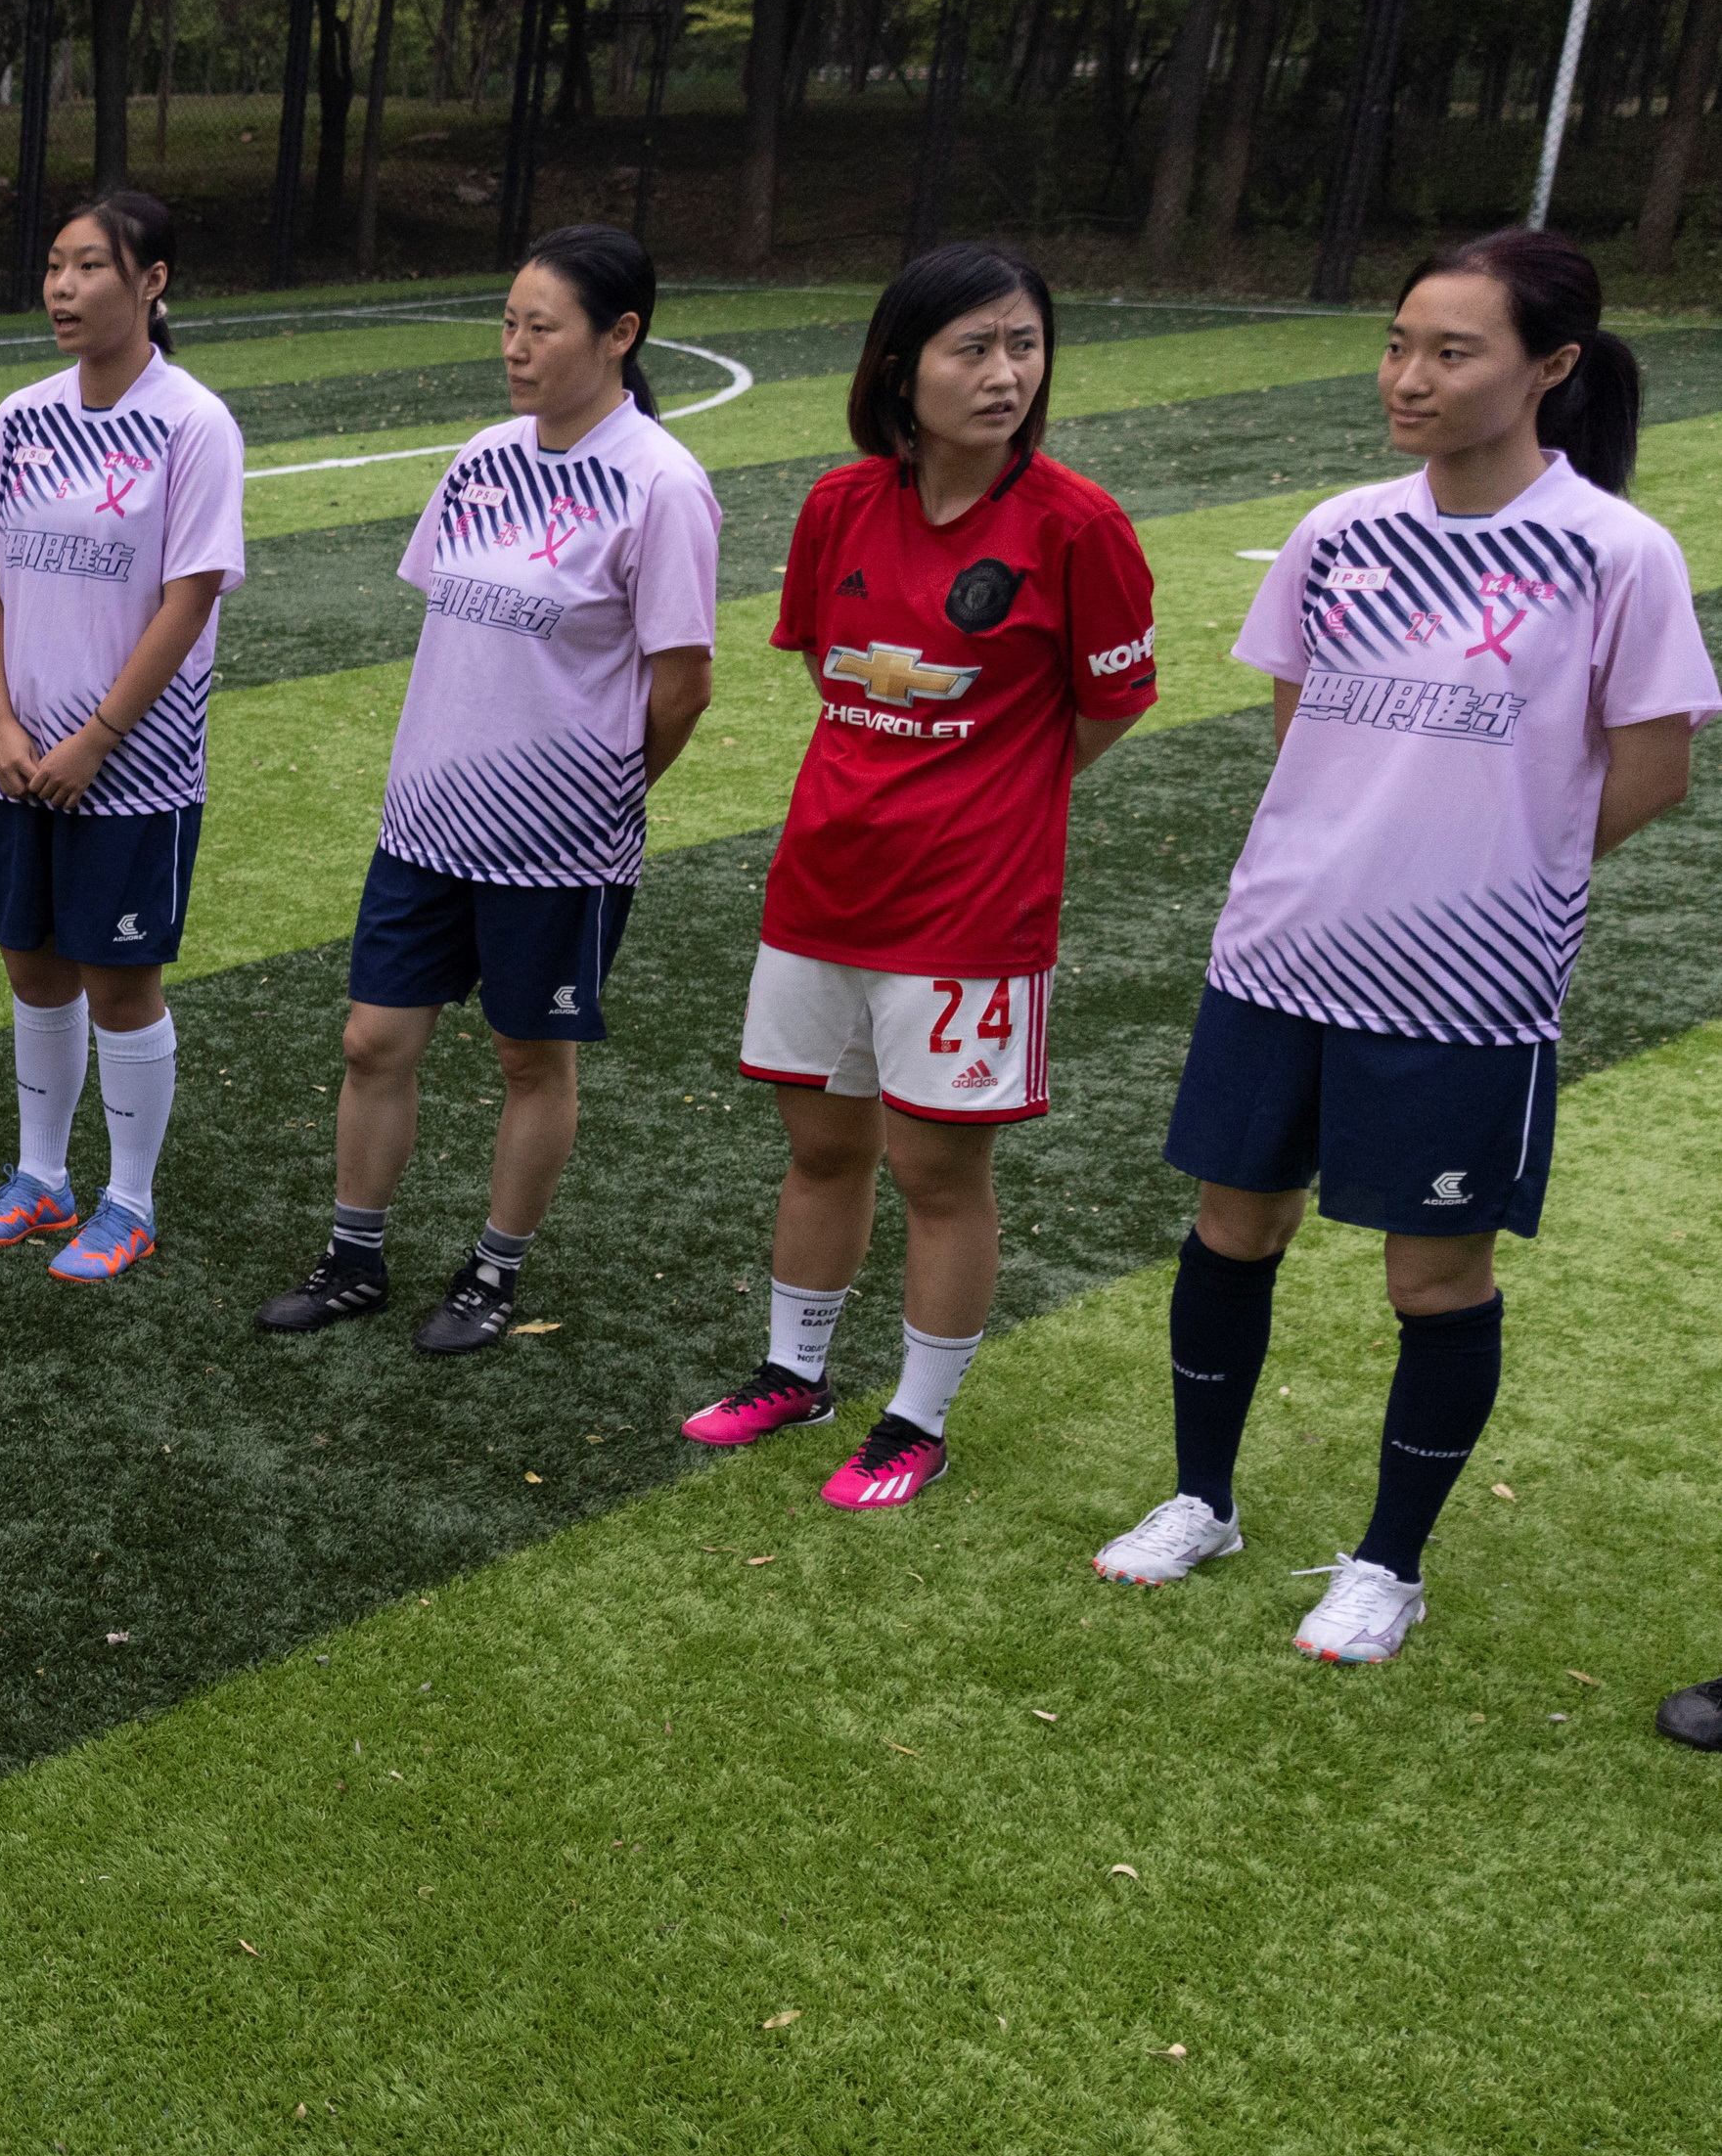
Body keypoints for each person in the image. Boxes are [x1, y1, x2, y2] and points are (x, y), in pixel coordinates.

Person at [1096, 230, 1710, 1660]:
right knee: (1231, 1226)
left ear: (1550, 368)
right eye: (1398, 344)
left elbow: (1654, 764)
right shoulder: (1341, 528)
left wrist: (1503, 871)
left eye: (1453, 351)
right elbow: (1298, 725)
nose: (1410, 378)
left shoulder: (1617, 551)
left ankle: (1390, 1561)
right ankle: (1200, 1498)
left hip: (1469, 988)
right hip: (1280, 953)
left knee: (1432, 1279)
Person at [677, 244, 1156, 1511]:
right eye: (973, 347)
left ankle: (918, 1420)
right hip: (822, 889)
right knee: (821, 1147)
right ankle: (797, 1372)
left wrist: (992, 791)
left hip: (969, 914)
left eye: (1024, 345)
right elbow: (828, 669)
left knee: (939, 1173)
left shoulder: (1077, 526)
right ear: (900, 368)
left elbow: (1108, 707)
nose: (1006, 373)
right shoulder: (840, 505)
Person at [257, 222, 718, 1341]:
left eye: (540, 327)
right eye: (507, 323)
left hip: (560, 842)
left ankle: (494, 1272)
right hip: (426, 818)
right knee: (374, 1039)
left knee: (529, 1053)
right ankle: (354, 1256)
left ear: (620, 336)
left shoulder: (661, 486)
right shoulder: (482, 459)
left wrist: (602, 790)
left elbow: (684, 684)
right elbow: (457, 631)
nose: (514, 347)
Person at [0, 192, 249, 1280]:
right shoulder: (22, 415)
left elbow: (190, 594)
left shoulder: (192, 423)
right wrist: (2, 722)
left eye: (89, 267)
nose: (63, 288)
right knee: (32, 968)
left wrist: (97, 737)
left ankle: (128, 1196)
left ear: (152, 281)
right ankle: (41, 1178)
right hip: (17, 757)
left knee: (120, 981)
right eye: (55, 267)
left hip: (133, 768)